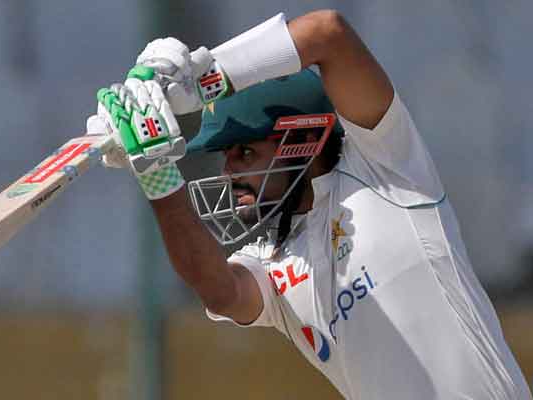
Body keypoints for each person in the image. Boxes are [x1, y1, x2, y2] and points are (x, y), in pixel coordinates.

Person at [87, 10, 532, 399]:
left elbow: (328, 33)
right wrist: (158, 177)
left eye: (244, 153)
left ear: (301, 139)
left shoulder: (387, 169)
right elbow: (221, 292)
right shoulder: (273, 261)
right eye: (226, 157)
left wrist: (201, 83)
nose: (228, 173)